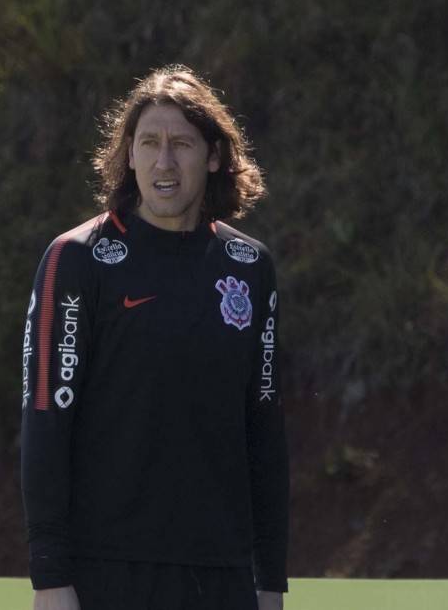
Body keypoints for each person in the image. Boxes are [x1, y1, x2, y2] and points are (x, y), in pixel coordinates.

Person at [21, 66, 288, 610]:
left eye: (182, 144)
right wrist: (49, 576)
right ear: (130, 155)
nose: (164, 162)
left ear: (213, 156)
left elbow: (264, 432)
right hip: (108, 573)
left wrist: (270, 579)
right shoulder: (78, 260)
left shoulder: (249, 266)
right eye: (149, 144)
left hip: (223, 574)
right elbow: (46, 421)